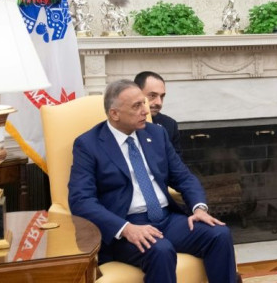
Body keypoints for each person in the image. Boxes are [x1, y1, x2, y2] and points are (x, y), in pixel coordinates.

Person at [68, 80, 236, 283]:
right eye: (136, 106)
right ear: (114, 114)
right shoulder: (88, 144)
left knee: (219, 234)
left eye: (144, 103)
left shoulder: (156, 134)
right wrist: (126, 228)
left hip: (166, 219)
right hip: (127, 226)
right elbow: (81, 200)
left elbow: (183, 176)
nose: (145, 111)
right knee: (161, 249)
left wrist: (199, 209)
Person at [134, 71, 182, 155]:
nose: (159, 103)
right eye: (152, 96)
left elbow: (177, 163)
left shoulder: (169, 125)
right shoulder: (122, 123)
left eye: (162, 96)